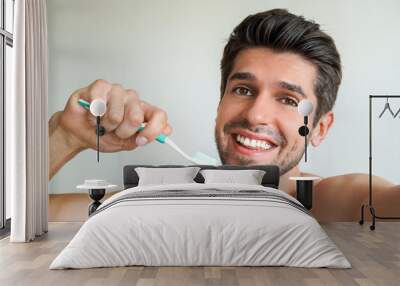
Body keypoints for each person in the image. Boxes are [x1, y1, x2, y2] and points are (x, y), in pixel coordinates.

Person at [49, 9, 400, 221]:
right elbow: (22, 220)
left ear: (320, 129)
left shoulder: (337, 203)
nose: (256, 113)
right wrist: (64, 138)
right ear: (219, 105)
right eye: (243, 90)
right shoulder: (164, 201)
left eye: (289, 100)